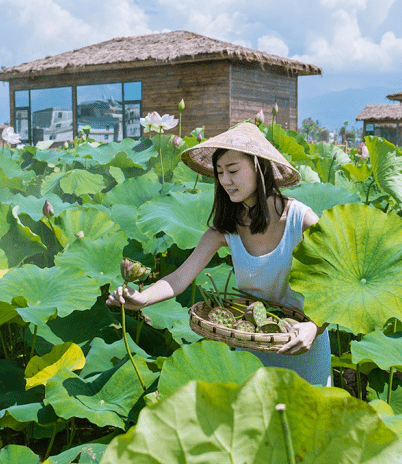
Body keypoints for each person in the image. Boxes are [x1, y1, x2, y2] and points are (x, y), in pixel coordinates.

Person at [107, 122, 332, 386]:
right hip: (250, 348)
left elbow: (335, 287)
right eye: (220, 172)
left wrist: (314, 327)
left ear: (259, 168)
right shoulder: (225, 229)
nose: (225, 181)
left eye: (233, 171)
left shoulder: (302, 221)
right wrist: (142, 298)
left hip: (303, 346)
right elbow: (180, 278)